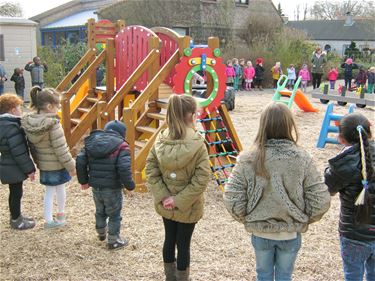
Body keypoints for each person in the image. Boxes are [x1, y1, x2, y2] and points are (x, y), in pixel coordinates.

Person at [224, 102, 330, 281]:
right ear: (290, 125)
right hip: (289, 233)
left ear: (263, 125)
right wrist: (302, 217)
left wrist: (248, 215)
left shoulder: (249, 157)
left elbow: (232, 196)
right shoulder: (302, 158)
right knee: (284, 276)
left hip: (261, 231)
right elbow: (320, 199)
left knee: (263, 275)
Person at [145, 95, 211, 281]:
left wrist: (164, 195)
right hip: (188, 206)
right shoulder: (198, 143)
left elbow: (150, 169)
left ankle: (169, 277)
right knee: (183, 244)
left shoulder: (161, 139)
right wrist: (179, 200)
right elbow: (202, 177)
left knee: (169, 239)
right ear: (190, 116)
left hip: (166, 204)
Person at [324, 113, 374, 281]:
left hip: (354, 233)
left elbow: (328, 188)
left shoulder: (344, 164)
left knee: (353, 275)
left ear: (341, 138)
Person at [76, 120, 135, 250]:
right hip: (112, 187)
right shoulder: (121, 145)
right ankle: (113, 240)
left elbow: (80, 160)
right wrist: (130, 186)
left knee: (100, 210)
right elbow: (124, 168)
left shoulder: (92, 142)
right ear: (122, 133)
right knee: (114, 214)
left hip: (96, 186)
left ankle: (101, 232)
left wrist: (83, 181)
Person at [22, 87, 75, 229]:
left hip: (44, 165)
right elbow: (61, 149)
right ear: (49, 106)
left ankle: (48, 220)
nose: (58, 109)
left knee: (49, 192)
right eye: (57, 106)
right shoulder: (53, 124)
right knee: (60, 188)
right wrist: (72, 166)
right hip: (57, 164)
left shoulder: (29, 122)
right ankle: (61, 214)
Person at [0, 94, 36, 230]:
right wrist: (30, 169)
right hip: (13, 166)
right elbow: (19, 152)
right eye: (19, 107)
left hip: (8, 163)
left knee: (15, 192)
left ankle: (17, 215)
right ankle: (16, 220)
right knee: (16, 193)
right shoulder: (11, 127)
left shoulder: (5, 124)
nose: (21, 110)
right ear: (12, 110)